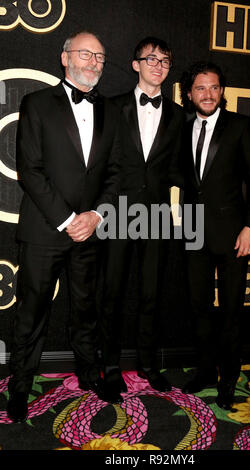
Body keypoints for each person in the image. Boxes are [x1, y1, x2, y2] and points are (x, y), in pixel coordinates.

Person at [7, 31, 120, 423]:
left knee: (87, 310)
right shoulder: (36, 103)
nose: (94, 63)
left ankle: (91, 374)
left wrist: (97, 216)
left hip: (91, 231)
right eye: (87, 54)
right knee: (32, 311)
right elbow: (31, 171)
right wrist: (69, 219)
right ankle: (20, 385)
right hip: (44, 230)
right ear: (65, 57)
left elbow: (115, 173)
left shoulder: (111, 110)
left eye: (101, 58)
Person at [99, 37, 184, 400]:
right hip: (117, 213)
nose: (158, 65)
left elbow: (181, 166)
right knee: (113, 293)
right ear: (136, 65)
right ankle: (111, 367)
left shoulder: (180, 114)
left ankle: (149, 365)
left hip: (158, 214)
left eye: (164, 60)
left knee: (151, 293)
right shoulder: (112, 106)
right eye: (151, 59)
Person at [180, 61, 250, 409]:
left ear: (222, 91)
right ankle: (204, 371)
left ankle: (228, 379)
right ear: (189, 94)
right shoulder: (181, 127)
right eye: (201, 88)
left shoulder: (241, 126)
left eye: (214, 87)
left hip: (234, 233)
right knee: (199, 307)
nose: (208, 94)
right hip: (193, 230)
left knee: (231, 310)